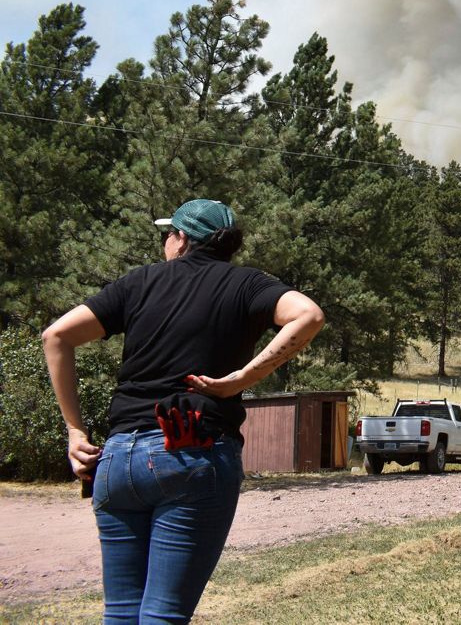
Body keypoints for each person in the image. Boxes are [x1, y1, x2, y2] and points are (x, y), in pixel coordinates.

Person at [42, 199, 325, 623]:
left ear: (182, 239)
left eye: (167, 235)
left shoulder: (137, 283)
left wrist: (75, 433)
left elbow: (56, 336)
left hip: (117, 460)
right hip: (190, 454)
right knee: (163, 615)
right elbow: (308, 315)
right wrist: (241, 379)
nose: (164, 243)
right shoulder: (246, 285)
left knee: (121, 613)